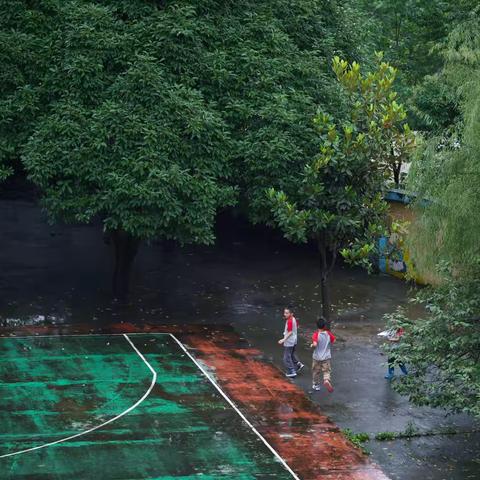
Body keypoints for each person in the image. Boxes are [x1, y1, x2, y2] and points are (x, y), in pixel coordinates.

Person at [310, 317, 335, 392]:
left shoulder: (316, 335)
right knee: (326, 371)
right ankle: (326, 380)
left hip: (317, 357)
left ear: (317, 326)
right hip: (326, 357)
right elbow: (333, 340)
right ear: (325, 326)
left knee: (315, 371)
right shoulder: (328, 334)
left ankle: (316, 385)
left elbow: (314, 344)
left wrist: (312, 345)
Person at [278, 307, 304, 377]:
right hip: (294, 340)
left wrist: (283, 339)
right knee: (291, 354)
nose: (285, 314)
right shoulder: (293, 319)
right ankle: (298, 364)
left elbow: (290, 332)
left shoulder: (289, 321)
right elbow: (296, 327)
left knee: (286, 357)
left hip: (289, 341)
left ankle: (291, 371)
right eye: (284, 312)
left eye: (287, 313)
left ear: (291, 314)